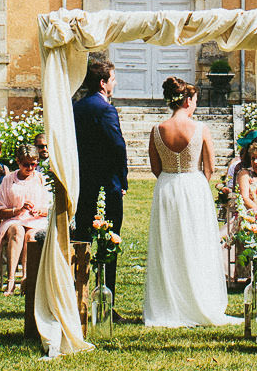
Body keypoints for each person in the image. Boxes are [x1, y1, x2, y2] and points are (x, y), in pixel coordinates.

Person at [140, 76, 234, 327]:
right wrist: (197, 182)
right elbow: (210, 166)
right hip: (194, 186)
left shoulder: (157, 130)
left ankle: (170, 301)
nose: (195, 105)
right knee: (197, 241)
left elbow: (155, 167)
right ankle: (199, 298)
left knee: (168, 243)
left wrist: (171, 178)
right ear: (186, 101)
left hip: (167, 187)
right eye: (194, 101)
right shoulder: (200, 128)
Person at [73, 57, 129, 293]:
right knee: (109, 240)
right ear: (103, 83)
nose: (115, 84)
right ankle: (106, 292)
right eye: (112, 79)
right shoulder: (106, 109)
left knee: (82, 236)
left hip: (83, 181)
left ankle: (80, 292)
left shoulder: (76, 107)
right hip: (106, 182)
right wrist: (122, 179)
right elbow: (117, 145)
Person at [0, 143, 51, 295]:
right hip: (13, 220)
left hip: (36, 221)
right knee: (17, 231)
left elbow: (49, 208)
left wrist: (39, 211)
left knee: (31, 236)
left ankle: (26, 279)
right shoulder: (9, 180)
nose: (30, 168)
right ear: (18, 162)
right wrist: (19, 210)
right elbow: (0, 211)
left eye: (33, 164)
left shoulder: (41, 179)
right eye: (26, 164)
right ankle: (10, 280)